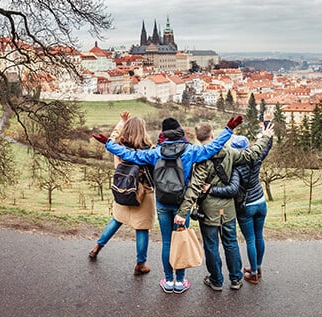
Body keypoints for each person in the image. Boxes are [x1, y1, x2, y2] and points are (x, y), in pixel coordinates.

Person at [92, 115, 243, 294]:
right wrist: (228, 130)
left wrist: (108, 144)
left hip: (163, 202)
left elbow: (130, 154)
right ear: (179, 132)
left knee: (167, 243)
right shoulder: (190, 150)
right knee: (180, 240)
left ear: (164, 134)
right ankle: (180, 281)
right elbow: (212, 147)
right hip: (181, 205)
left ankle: (168, 280)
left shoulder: (155, 152)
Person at [174, 123, 274, 291]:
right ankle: (236, 279)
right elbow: (253, 153)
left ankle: (216, 280)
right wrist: (265, 136)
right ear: (213, 136)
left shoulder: (201, 160)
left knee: (211, 246)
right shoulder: (229, 153)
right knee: (231, 243)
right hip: (228, 209)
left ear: (198, 140)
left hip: (208, 211)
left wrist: (182, 213)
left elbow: (194, 188)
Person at [88, 112, 156, 276]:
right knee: (142, 229)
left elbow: (110, 139)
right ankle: (140, 264)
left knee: (117, 220)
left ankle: (97, 248)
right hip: (144, 195)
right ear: (143, 130)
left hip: (123, 189)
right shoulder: (150, 150)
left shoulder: (119, 148)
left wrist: (121, 122)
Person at [232, 128, 273, 284]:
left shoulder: (234, 164)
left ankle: (253, 273)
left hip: (246, 205)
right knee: (259, 236)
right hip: (261, 202)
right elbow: (267, 146)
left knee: (250, 240)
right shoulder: (256, 158)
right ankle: (258, 268)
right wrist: (267, 132)